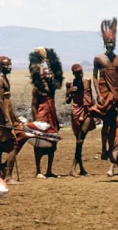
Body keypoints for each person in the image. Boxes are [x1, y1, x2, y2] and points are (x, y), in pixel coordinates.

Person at [91, 18, 118, 176]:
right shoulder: (99, 59)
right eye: (108, 43)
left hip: (116, 94)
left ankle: (112, 155)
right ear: (105, 44)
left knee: (114, 125)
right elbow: (94, 77)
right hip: (104, 95)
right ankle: (104, 149)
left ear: (115, 43)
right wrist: (97, 94)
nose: (110, 45)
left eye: (113, 43)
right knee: (105, 123)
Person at [30, 49, 63, 178]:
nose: (49, 76)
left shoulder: (52, 88)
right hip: (41, 116)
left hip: (51, 115)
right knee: (39, 142)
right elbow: (33, 105)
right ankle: (38, 171)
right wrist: (36, 121)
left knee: (52, 141)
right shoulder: (37, 88)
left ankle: (49, 170)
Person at [65, 64, 96, 177]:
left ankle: (73, 168)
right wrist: (70, 92)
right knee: (79, 140)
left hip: (87, 111)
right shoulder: (69, 83)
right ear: (74, 74)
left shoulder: (87, 80)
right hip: (76, 111)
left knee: (80, 140)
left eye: (81, 72)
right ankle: (81, 169)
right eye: (78, 73)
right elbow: (67, 100)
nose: (80, 74)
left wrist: (95, 110)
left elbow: (91, 96)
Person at [0, 56, 22, 183]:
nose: (9, 67)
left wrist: (14, 117)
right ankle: (8, 176)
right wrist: (7, 121)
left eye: (10, 64)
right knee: (13, 145)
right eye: (6, 65)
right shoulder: (0, 80)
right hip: (2, 119)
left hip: (6, 116)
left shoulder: (4, 79)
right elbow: (0, 101)